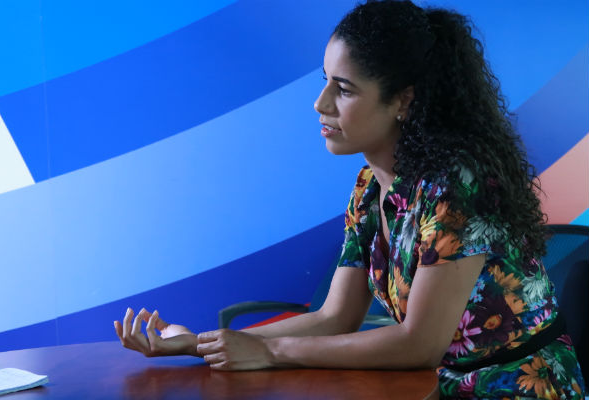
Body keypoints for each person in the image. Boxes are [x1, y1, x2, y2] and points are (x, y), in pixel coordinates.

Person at [114, 1, 586, 398]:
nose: (320, 104)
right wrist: (201, 344)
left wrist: (269, 351)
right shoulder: (369, 186)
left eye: (343, 89)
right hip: (433, 386)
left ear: (403, 101)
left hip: (516, 389)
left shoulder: (457, 185)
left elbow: (418, 343)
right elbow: (335, 316)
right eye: (325, 81)